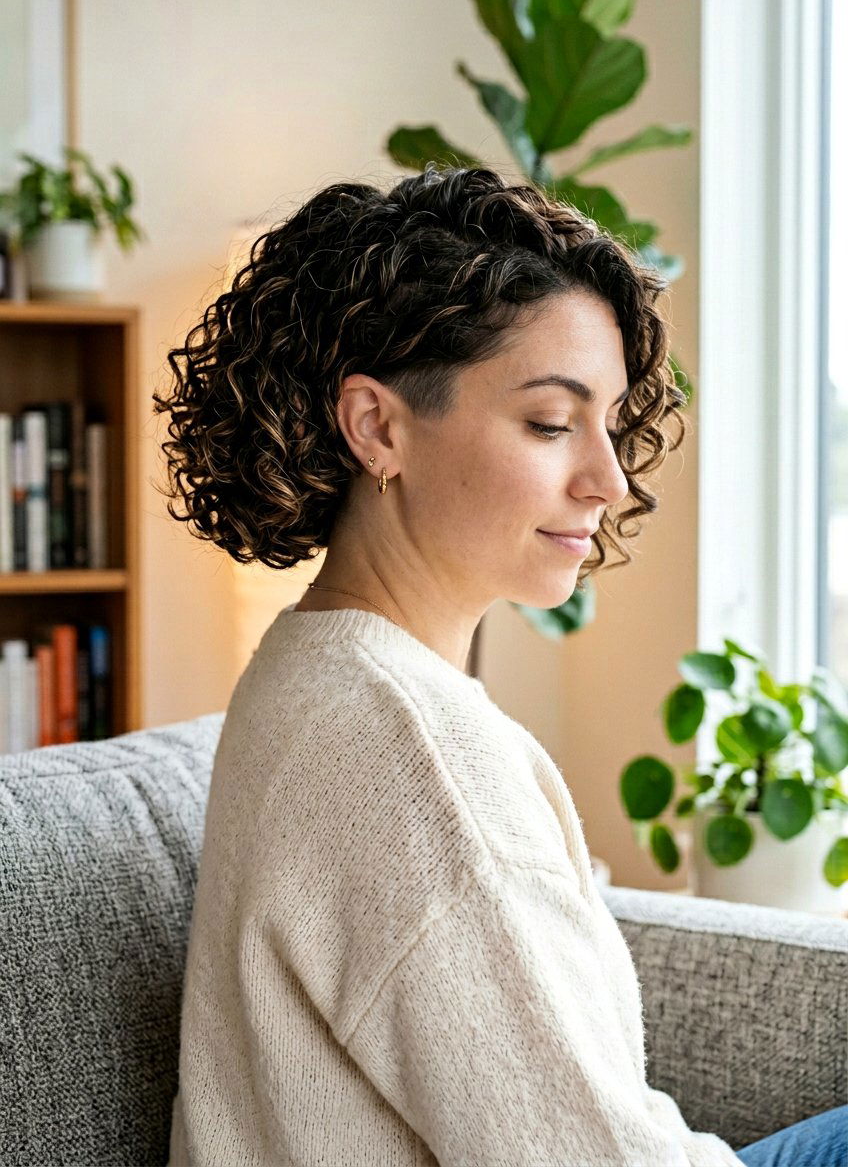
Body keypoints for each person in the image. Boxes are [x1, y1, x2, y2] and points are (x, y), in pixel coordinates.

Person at [153, 164, 843, 1166]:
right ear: (377, 426)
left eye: (607, 423)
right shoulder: (411, 754)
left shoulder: (308, 669)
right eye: (551, 422)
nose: (606, 479)